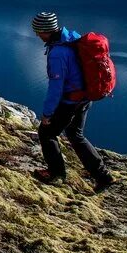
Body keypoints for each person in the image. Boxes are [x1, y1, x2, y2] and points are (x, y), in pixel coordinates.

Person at [31, 12, 114, 191]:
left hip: (70, 101)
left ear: (45, 30)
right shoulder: (72, 38)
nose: (37, 35)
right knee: (76, 135)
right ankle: (103, 176)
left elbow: (56, 87)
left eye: (38, 31)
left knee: (47, 133)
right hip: (85, 97)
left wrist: (47, 114)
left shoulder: (58, 53)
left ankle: (57, 174)